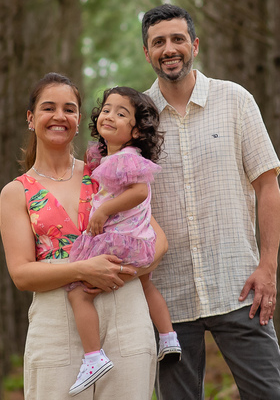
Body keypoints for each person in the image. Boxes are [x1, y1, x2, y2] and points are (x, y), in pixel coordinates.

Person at [141, 4, 280, 399]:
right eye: (159, 42)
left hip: (239, 285)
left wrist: (268, 266)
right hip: (167, 296)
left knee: (269, 395)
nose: (169, 49)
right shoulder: (139, 117)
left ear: (195, 44)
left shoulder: (235, 100)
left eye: (177, 39)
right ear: (147, 53)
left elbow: (268, 187)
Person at [0, 72, 166, 400]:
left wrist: (121, 272)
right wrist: (82, 270)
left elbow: (157, 239)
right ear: (31, 119)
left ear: (78, 120)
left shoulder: (105, 171)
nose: (59, 116)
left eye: (69, 109)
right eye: (49, 108)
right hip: (57, 317)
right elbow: (21, 274)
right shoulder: (16, 191)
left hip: (124, 311)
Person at [64, 87, 180, 395]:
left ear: (137, 130)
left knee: (77, 292)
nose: (110, 116)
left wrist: (103, 210)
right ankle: (168, 337)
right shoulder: (108, 157)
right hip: (139, 242)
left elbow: (140, 192)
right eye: (107, 110)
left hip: (120, 243)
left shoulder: (126, 158)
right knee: (146, 284)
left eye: (121, 113)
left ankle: (93, 356)